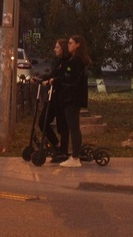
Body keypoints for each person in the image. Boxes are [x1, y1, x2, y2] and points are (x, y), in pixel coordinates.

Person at [54, 35, 90, 168]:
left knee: (74, 127)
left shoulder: (76, 61)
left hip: (72, 98)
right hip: (74, 97)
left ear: (78, 45)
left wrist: (57, 81)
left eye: (71, 43)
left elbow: (70, 78)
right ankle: (75, 155)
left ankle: (75, 158)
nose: (68, 45)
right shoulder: (76, 60)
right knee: (74, 127)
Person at [37, 38, 70, 162]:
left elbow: (62, 78)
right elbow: (53, 75)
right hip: (53, 96)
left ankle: (63, 151)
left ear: (63, 49)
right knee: (42, 121)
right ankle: (56, 145)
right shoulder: (59, 62)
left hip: (61, 97)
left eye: (57, 47)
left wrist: (52, 81)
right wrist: (41, 79)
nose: (54, 49)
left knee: (62, 125)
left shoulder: (67, 62)